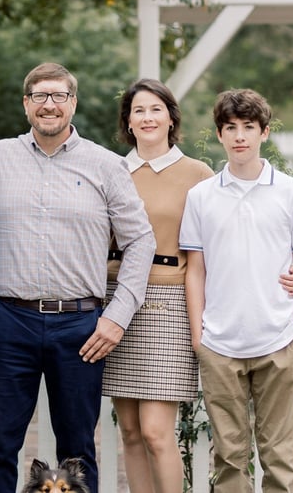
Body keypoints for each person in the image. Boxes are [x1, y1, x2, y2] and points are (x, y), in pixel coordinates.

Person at [0, 62, 156, 493]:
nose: (49, 104)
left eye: (58, 96)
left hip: (81, 326)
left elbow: (140, 241)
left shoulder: (106, 166)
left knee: (76, 449)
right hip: (10, 321)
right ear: (26, 104)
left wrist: (118, 317)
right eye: (40, 96)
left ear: (72, 103)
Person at [180, 88, 293, 493]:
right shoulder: (201, 196)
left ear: (264, 132)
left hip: (278, 339)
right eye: (230, 128)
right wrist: (198, 337)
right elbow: (196, 271)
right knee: (229, 458)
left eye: (248, 127)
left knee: (279, 457)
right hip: (219, 344)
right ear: (220, 134)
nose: (239, 136)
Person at [102, 78, 215, 493]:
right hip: (115, 301)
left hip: (169, 302)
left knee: (155, 430)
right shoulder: (111, 169)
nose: (147, 118)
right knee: (129, 430)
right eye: (138, 111)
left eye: (156, 109)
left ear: (171, 118)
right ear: (128, 122)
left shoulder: (198, 175)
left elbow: (218, 245)